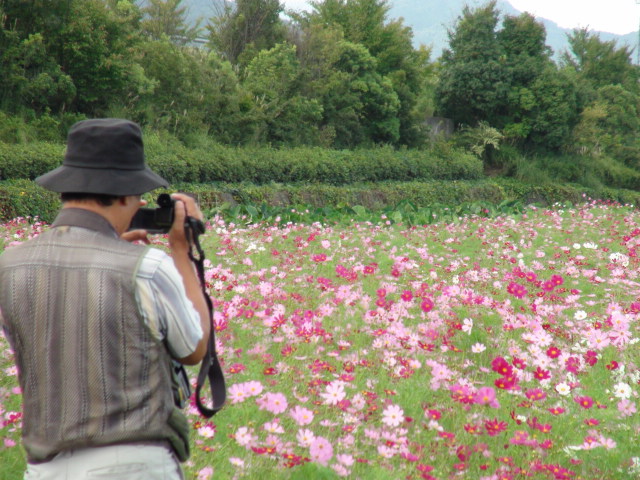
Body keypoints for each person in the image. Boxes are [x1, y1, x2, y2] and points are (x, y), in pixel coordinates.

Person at [0, 118, 210, 479]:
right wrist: (181, 251)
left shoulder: (10, 265)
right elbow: (194, 348)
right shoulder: (146, 266)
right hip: (133, 464)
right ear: (126, 193)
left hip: (44, 468)